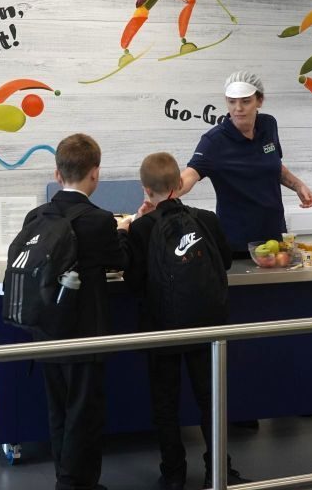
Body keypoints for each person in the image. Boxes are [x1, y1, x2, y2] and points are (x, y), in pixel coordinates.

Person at [119, 152, 249, 489]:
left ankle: (173, 472)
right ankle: (217, 470)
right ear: (180, 185)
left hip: (161, 328)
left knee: (166, 403)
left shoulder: (142, 229)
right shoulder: (207, 219)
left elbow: (133, 282)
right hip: (207, 326)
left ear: (145, 188)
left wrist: (128, 228)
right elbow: (224, 263)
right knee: (211, 400)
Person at [23, 133, 126, 490]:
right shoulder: (98, 221)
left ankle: (64, 476)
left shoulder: (36, 216)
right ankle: (76, 483)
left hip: (46, 330)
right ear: (94, 174)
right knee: (85, 413)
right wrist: (123, 230)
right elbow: (119, 260)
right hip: (85, 331)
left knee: (59, 411)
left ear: (57, 173)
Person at [177, 70, 312, 259]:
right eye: (232, 101)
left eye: (245, 101)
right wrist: (163, 194)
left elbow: (273, 165)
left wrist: (298, 185)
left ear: (259, 101)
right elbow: (189, 175)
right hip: (237, 244)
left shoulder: (268, 125)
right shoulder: (214, 141)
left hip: (275, 238)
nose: (238, 108)